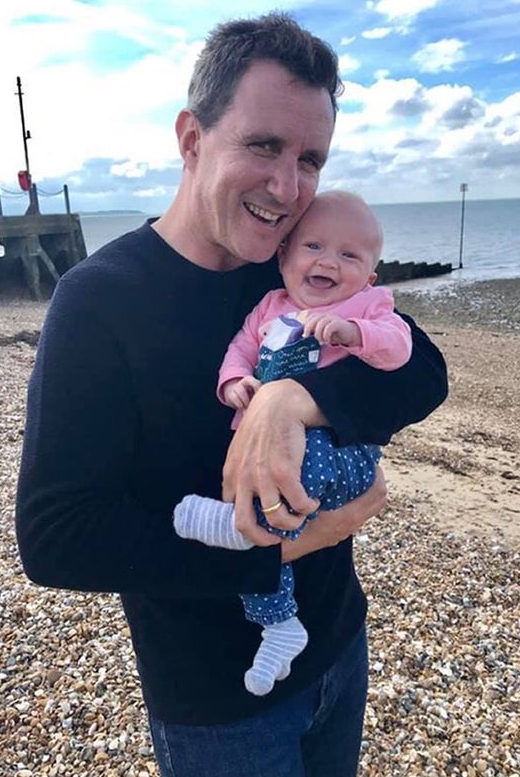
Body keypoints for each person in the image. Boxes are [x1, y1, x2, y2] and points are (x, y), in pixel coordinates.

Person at [16, 13, 448, 777]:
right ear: (191, 137)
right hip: (216, 703)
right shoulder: (99, 302)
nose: (287, 189)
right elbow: (56, 536)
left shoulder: (294, 264)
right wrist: (270, 556)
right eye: (264, 146)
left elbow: (423, 368)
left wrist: (294, 397)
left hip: (339, 645)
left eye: (310, 159)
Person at [175, 190, 412, 697]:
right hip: (275, 467)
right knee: (258, 495)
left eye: (349, 256)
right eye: (314, 247)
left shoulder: (366, 306)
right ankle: (280, 626)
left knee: (282, 484)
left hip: (340, 456)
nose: (328, 261)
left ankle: (236, 529)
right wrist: (234, 382)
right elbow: (239, 348)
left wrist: (354, 333)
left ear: (370, 276)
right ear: (283, 258)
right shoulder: (269, 307)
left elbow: (402, 349)